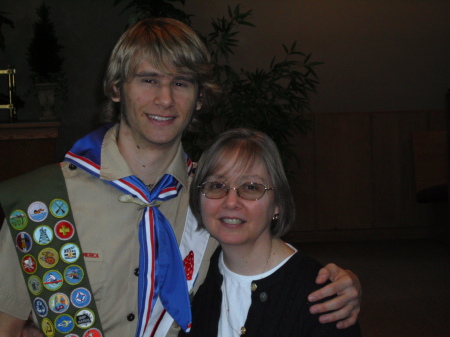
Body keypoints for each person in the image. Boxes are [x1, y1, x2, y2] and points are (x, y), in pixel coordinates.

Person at [0, 18, 360, 337]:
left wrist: (341, 284)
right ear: (116, 89)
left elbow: (262, 268)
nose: (165, 99)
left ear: (200, 98)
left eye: (182, 83)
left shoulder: (213, 200)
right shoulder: (43, 201)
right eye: (148, 80)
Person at [181, 128, 361, 337]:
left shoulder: (319, 296)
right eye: (217, 185)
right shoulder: (195, 276)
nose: (231, 202)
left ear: (277, 204)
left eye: (250, 187)